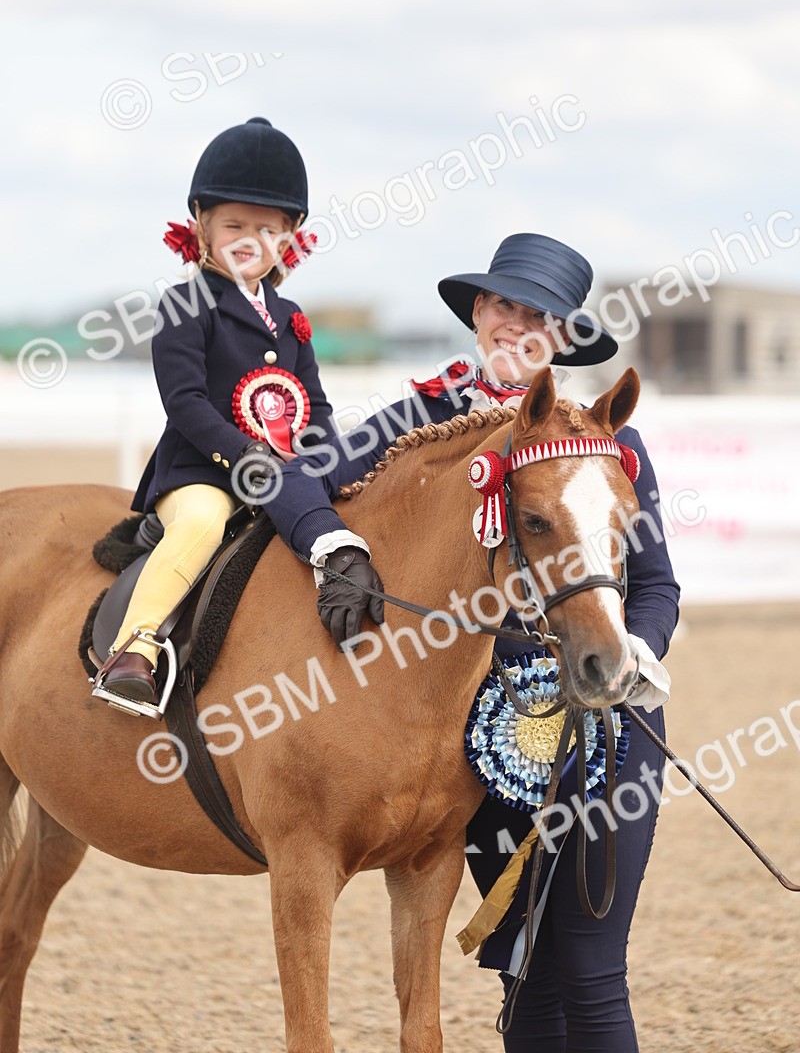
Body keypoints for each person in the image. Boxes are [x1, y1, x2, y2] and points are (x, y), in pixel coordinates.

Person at [264, 232, 680, 1052]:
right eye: (504, 306)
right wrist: (334, 547)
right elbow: (300, 476)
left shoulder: (612, 442)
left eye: (540, 316)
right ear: (480, 311)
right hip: (480, 739)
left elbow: (657, 584)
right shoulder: (422, 417)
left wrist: (635, 649)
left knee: (592, 971)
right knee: (523, 968)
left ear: (564, 334)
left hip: (598, 722)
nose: (517, 326)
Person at [95, 116, 334, 711]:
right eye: (234, 225)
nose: (249, 240)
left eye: (267, 229)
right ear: (202, 224)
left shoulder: (291, 316)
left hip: (280, 475)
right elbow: (185, 402)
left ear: (289, 236)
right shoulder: (186, 303)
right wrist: (245, 455)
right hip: (201, 471)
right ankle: (134, 649)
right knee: (203, 521)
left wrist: (332, 460)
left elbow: (314, 404)